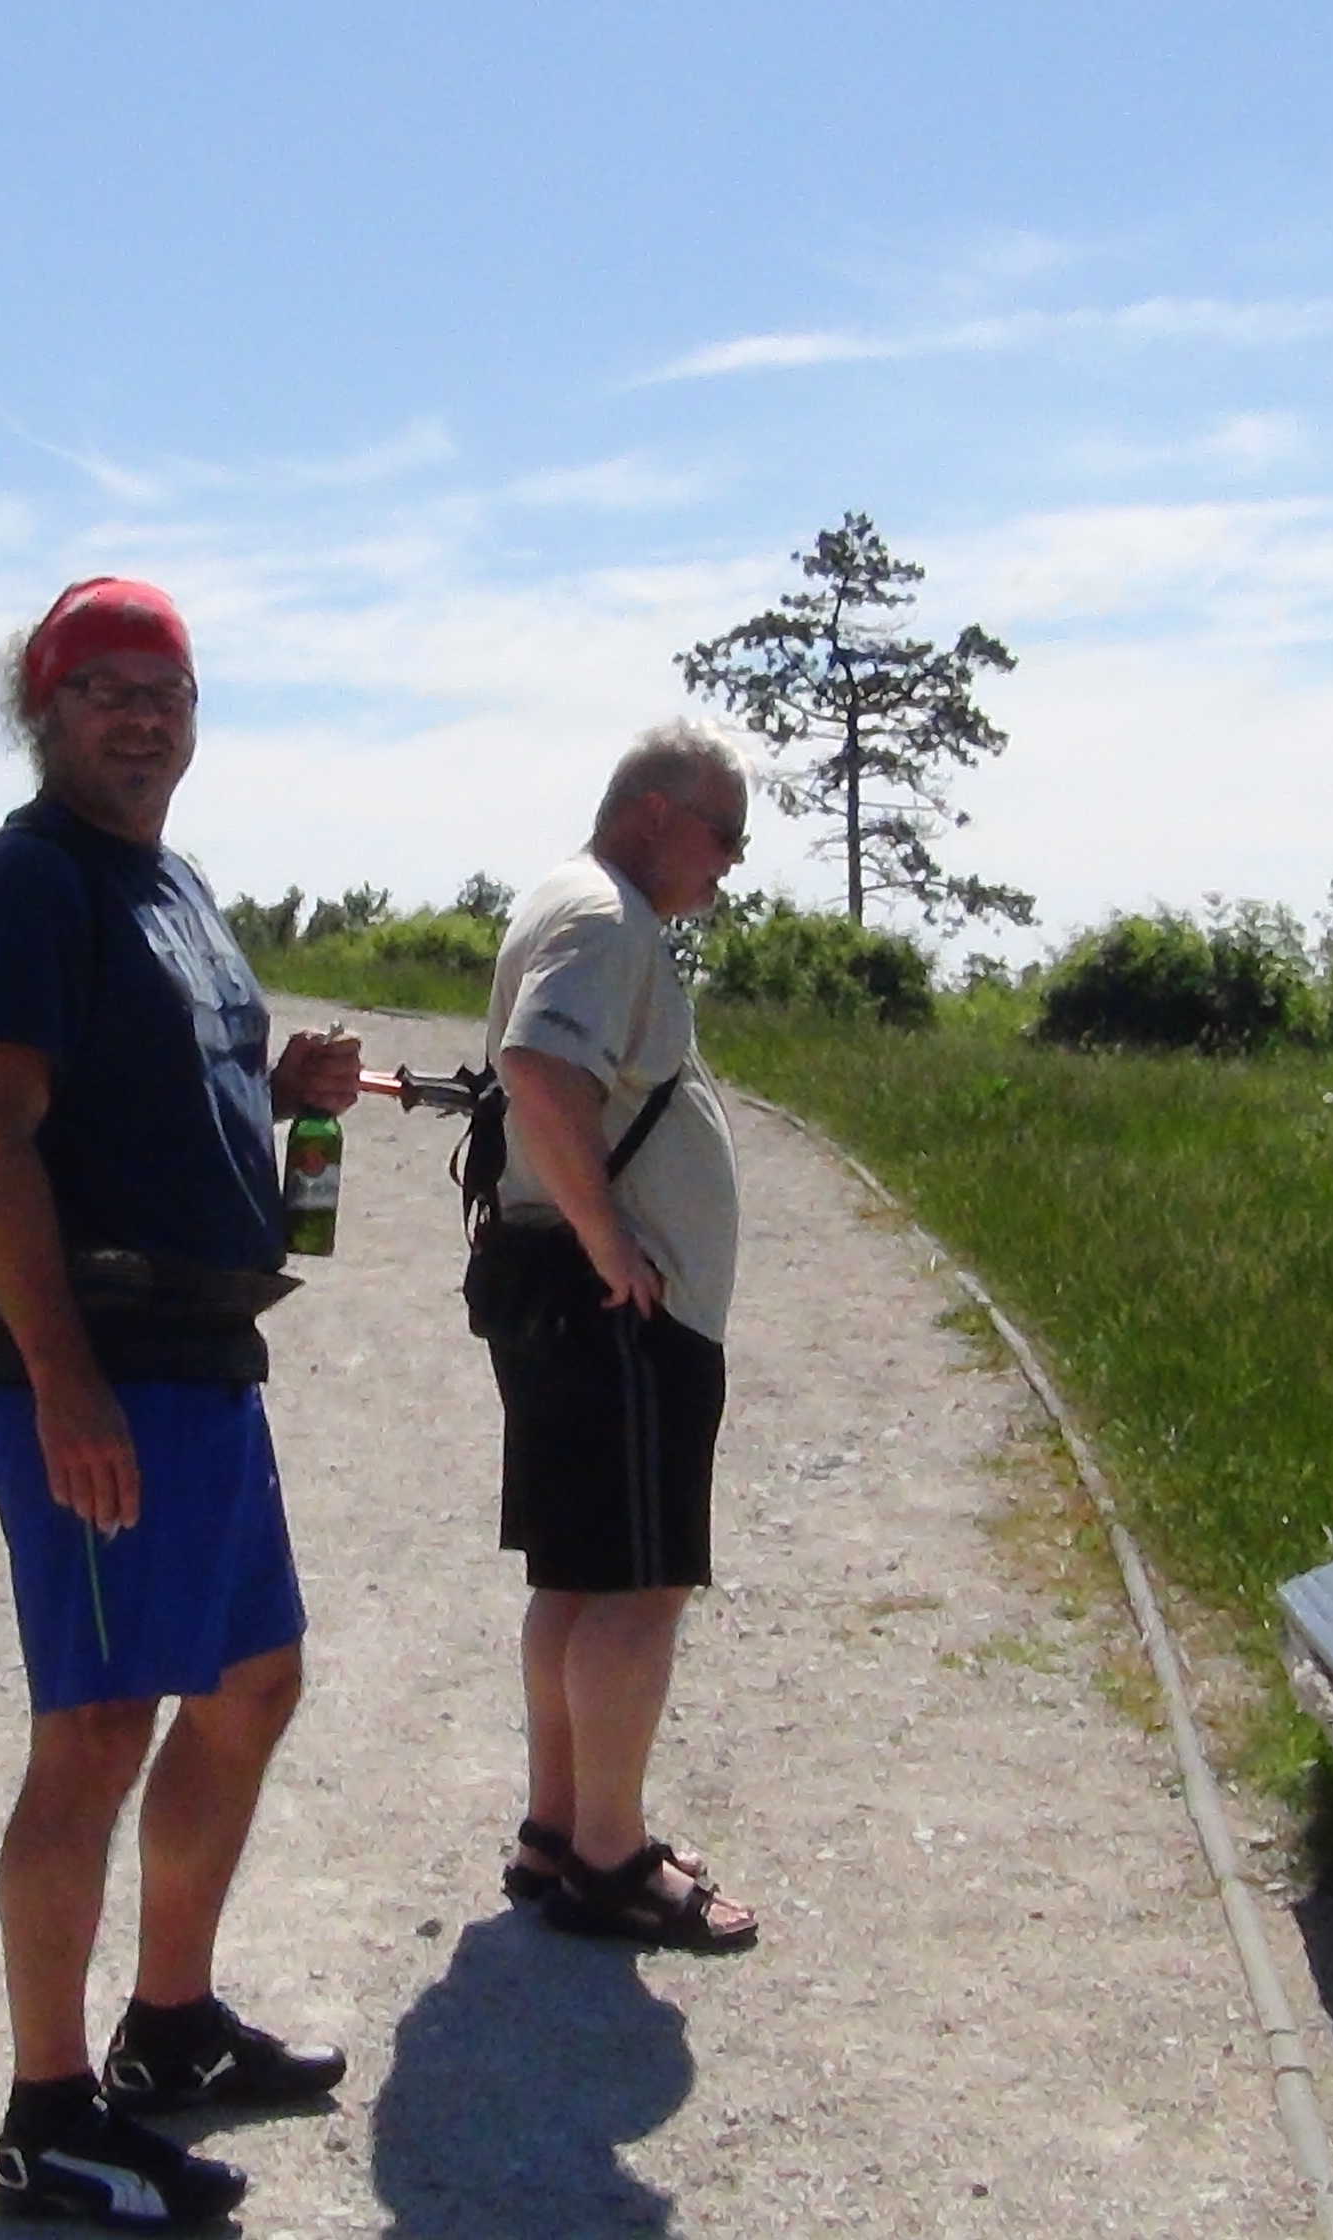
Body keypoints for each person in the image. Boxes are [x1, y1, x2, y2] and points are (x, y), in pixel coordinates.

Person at [0, 575, 364, 2232]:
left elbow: (159, 1086)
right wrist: (60, 1384)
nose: (141, 717)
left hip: (203, 1363)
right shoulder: (24, 884)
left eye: (165, 691)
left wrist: (281, 1090)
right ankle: (44, 2125)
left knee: (251, 1684)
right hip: (100, 1371)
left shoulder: (168, 887)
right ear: (39, 713)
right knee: (97, 1732)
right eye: (103, 689)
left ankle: (168, 2029)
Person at [478, 718, 761, 1954]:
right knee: (640, 1585)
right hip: (622, 1314)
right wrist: (613, 1244)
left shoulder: (571, 898)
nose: (732, 863)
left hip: (567, 1298)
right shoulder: (605, 916)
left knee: (577, 1575)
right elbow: (541, 1070)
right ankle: (609, 1857)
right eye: (726, 835)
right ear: (657, 812)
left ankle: (559, 1829)